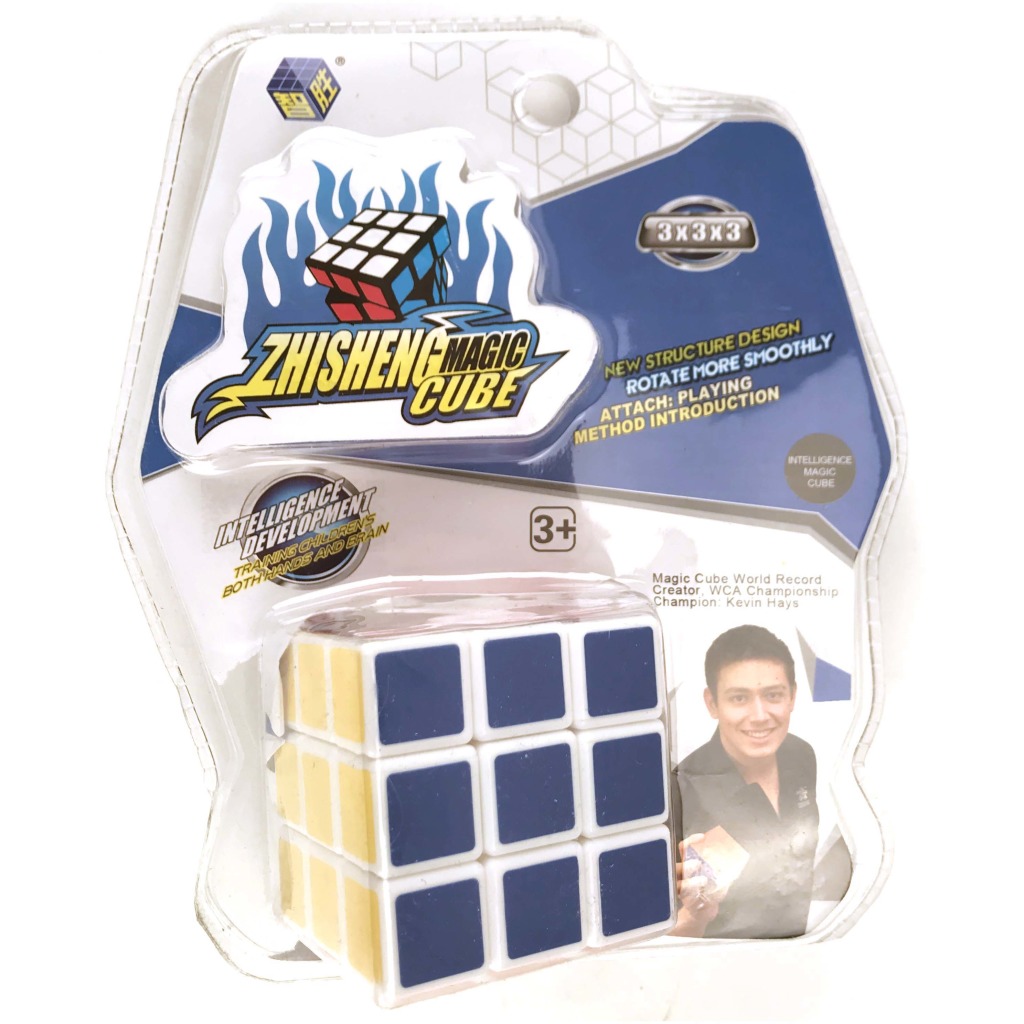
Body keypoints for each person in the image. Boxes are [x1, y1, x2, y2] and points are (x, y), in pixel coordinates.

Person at [671, 624, 818, 939]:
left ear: (793, 696)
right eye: (739, 698)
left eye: (773, 695)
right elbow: (655, 939)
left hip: (803, 951)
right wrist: (693, 917)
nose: (760, 715)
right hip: (722, 962)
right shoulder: (681, 790)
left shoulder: (801, 756)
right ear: (712, 704)